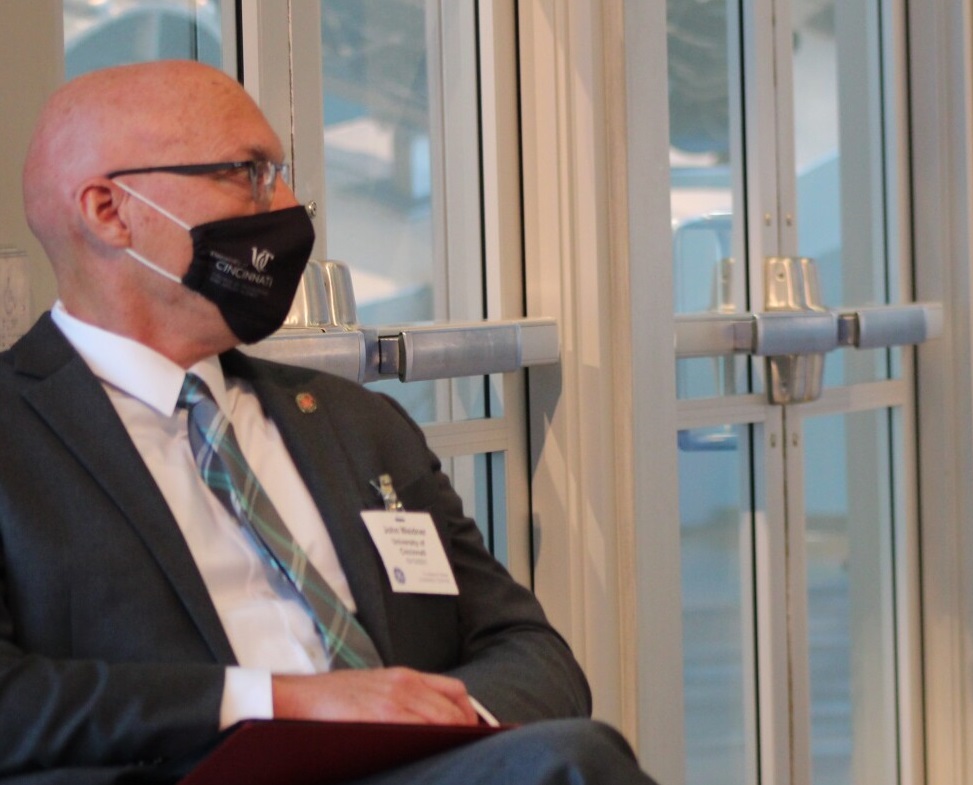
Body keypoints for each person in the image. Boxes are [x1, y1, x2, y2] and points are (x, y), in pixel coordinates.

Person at [3, 61, 656, 784]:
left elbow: (522, 644)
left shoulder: (353, 420)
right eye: (246, 172)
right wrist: (282, 704)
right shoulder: (16, 433)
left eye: (280, 174)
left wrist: (426, 715)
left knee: (569, 758)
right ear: (109, 211)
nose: (284, 204)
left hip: (412, 769)